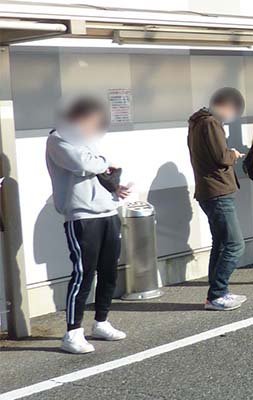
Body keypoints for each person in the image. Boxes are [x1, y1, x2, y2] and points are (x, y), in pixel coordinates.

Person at [47, 97, 129, 354]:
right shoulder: (58, 138)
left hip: (108, 211)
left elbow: (101, 169)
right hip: (82, 216)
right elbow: (84, 164)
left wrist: (113, 184)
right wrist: (103, 163)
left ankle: (101, 322)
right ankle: (72, 332)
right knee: (83, 273)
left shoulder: (88, 140)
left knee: (109, 271)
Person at [188, 87, 248, 311]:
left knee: (221, 244)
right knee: (235, 244)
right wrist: (233, 154)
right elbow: (221, 157)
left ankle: (218, 292)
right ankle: (217, 294)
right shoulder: (211, 123)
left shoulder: (197, 123)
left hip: (209, 190)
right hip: (218, 190)